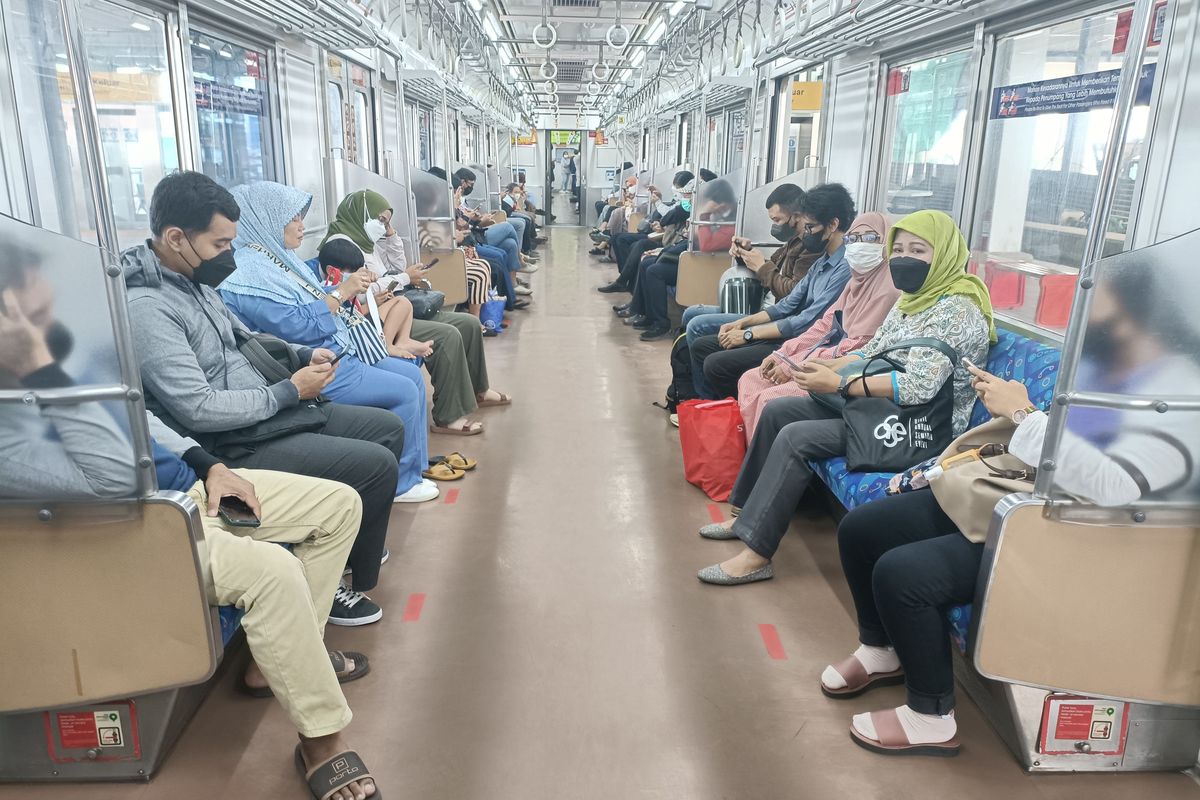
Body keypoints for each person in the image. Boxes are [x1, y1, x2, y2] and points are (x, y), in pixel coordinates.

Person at [0, 252, 381, 799]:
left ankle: (280, 662)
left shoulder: (59, 355)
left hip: (190, 491)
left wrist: (211, 467)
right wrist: (39, 367)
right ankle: (321, 739)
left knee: (338, 505)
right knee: (272, 571)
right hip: (127, 527)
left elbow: (138, 416)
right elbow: (109, 478)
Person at [826, 264, 1200, 755]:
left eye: (1098, 309)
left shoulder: (1180, 394)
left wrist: (1022, 413)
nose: (1083, 322)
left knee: (904, 574)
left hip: (1088, 537)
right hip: (1029, 504)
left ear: (1136, 317)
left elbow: (1117, 486)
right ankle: (881, 649)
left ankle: (930, 716)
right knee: (863, 530)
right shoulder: (1103, 371)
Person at [122, 171, 410, 622]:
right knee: (374, 465)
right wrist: (289, 391)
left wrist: (299, 353)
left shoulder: (194, 282)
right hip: (233, 438)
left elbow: (242, 337)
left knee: (387, 429)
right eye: (220, 245)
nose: (228, 255)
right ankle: (326, 586)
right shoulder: (149, 309)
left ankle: (345, 552)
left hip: (263, 408)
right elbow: (197, 408)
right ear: (176, 238)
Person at [696, 209, 994, 585]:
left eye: (918, 250)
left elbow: (920, 387)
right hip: (882, 408)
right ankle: (745, 515)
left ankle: (757, 554)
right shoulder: (912, 300)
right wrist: (823, 369)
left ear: (946, 254)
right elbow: (871, 353)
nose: (903, 258)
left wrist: (840, 385)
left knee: (797, 435)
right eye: (898, 248)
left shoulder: (956, 309)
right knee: (780, 411)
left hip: (918, 425)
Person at [217, 181, 438, 500]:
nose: (301, 226)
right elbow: (297, 328)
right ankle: (401, 483)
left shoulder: (276, 260)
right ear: (268, 219)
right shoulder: (249, 278)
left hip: (335, 351)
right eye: (293, 218)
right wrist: (344, 291)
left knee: (411, 375)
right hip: (316, 364)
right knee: (404, 390)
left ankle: (413, 469)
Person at [321, 190, 511, 436]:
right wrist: (404, 278)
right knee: (448, 336)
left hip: (396, 305)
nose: (382, 225)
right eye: (379, 219)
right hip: (372, 316)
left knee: (468, 324)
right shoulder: (342, 245)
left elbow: (395, 267)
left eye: (386, 221)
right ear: (362, 214)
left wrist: (390, 235)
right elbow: (360, 288)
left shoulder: (365, 239)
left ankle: (479, 389)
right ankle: (448, 416)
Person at [737, 212, 900, 438]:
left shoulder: (888, 288)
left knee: (769, 400)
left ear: (886, 243)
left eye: (870, 239)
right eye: (853, 239)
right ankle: (747, 453)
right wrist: (783, 354)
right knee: (751, 379)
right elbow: (824, 325)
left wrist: (794, 366)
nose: (859, 246)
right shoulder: (855, 282)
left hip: (845, 370)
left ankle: (761, 461)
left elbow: (858, 346)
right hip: (820, 357)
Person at [689, 183, 856, 398]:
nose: (805, 234)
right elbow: (789, 303)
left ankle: (727, 416)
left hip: (802, 340)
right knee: (703, 346)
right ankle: (710, 410)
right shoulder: (823, 260)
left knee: (715, 363)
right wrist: (744, 323)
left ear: (832, 225)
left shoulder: (844, 268)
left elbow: (807, 320)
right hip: (788, 330)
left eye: (810, 227)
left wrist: (748, 335)